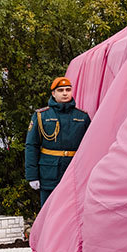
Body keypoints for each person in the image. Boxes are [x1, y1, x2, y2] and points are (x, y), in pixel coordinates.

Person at [25, 77, 91, 207]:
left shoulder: (82, 117)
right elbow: (32, 146)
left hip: (74, 171)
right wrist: (32, 176)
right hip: (49, 173)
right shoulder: (42, 116)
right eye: (60, 90)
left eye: (68, 89)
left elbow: (90, 146)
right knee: (49, 210)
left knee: (73, 210)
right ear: (53, 94)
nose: (65, 93)